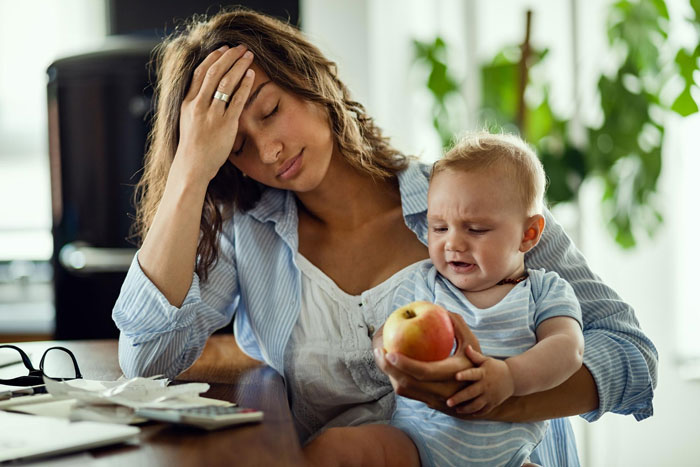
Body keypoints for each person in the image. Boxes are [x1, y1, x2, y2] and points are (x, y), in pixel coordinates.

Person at [112, 7, 658, 466]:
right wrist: (188, 172)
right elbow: (147, 359)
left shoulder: (477, 204)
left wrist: (497, 394)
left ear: (312, 81)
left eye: (271, 111)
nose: (269, 151)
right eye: (236, 146)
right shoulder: (248, 238)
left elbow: (632, 354)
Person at [388, 132, 585, 466]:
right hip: (415, 446)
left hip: (507, 457)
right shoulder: (422, 282)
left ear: (529, 234)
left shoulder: (543, 291)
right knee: (344, 446)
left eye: (475, 229)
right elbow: (385, 332)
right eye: (439, 228)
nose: (453, 243)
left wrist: (511, 377)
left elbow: (569, 348)